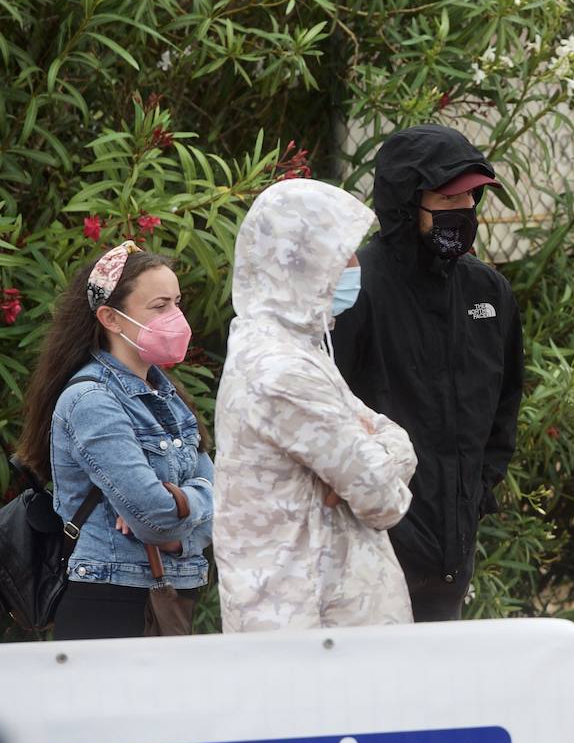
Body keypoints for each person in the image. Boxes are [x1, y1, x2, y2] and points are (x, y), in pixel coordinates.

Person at [332, 124, 523, 621]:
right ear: (405, 201)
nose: (462, 212)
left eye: (470, 199)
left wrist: (477, 491)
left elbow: (505, 401)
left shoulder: (488, 292)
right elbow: (328, 406)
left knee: (440, 687)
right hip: (373, 538)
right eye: (446, 197)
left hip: (454, 540)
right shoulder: (357, 287)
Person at [214, 179, 418, 631]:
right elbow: (383, 499)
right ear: (300, 258)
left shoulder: (294, 347)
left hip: (320, 618)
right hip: (310, 624)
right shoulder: (281, 369)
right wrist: (373, 464)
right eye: (341, 253)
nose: (352, 265)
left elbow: (392, 440)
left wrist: (379, 453)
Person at [16, 241, 213, 640]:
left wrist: (177, 521)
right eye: (159, 307)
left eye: (176, 303)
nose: (176, 318)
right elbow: (156, 517)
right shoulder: (91, 400)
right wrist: (180, 511)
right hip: (111, 600)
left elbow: (222, 501)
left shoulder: (168, 395)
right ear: (111, 318)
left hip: (166, 594)